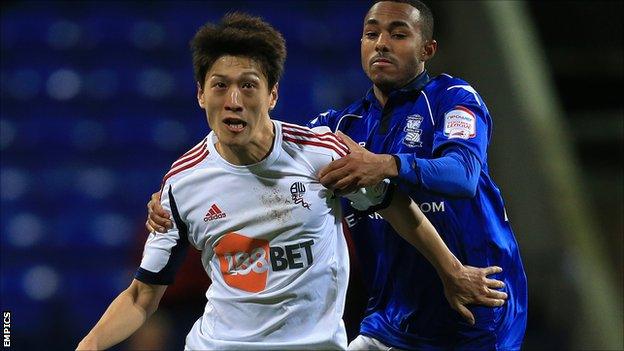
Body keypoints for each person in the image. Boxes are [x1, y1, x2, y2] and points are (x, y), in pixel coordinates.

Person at [79, 12, 507, 351]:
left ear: (273, 95)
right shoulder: (182, 184)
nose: (233, 101)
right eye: (220, 86)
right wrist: (88, 346)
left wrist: (452, 271)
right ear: (200, 94)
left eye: (248, 86)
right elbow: (141, 298)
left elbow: (397, 207)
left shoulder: (321, 155)